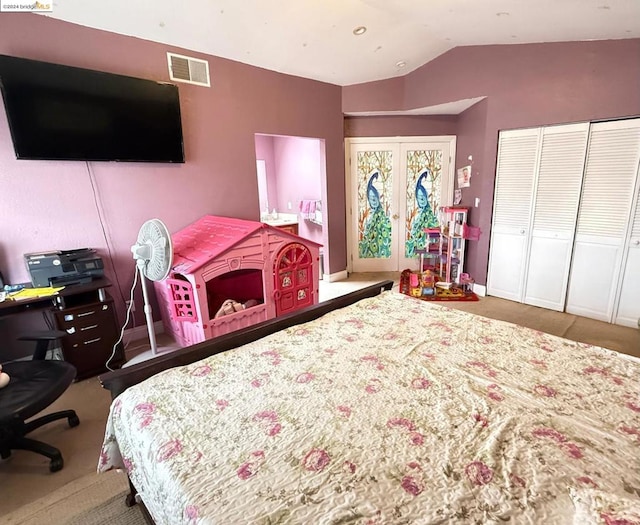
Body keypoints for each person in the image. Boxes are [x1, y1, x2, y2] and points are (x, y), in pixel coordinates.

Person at [406, 170, 439, 258]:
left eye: (423, 198)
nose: (422, 200)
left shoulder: (430, 215)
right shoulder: (419, 214)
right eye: (420, 198)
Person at [359, 172, 391, 258]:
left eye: (375, 198)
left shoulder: (382, 215)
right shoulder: (370, 215)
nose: (373, 201)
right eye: (371, 199)